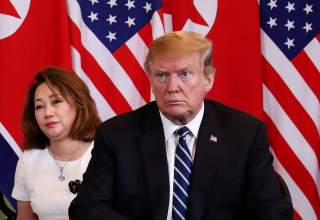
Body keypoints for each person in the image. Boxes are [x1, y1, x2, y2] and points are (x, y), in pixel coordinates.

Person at [69, 31, 292, 219]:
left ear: (208, 79)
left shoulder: (244, 135)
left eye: (185, 74)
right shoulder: (117, 135)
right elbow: (86, 209)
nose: (173, 87)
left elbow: (271, 212)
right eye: (162, 76)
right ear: (150, 80)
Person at [12, 67, 101, 220]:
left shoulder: (106, 152)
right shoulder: (29, 160)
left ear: (79, 104)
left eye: (56, 101)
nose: (47, 113)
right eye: (39, 106)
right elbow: (24, 218)